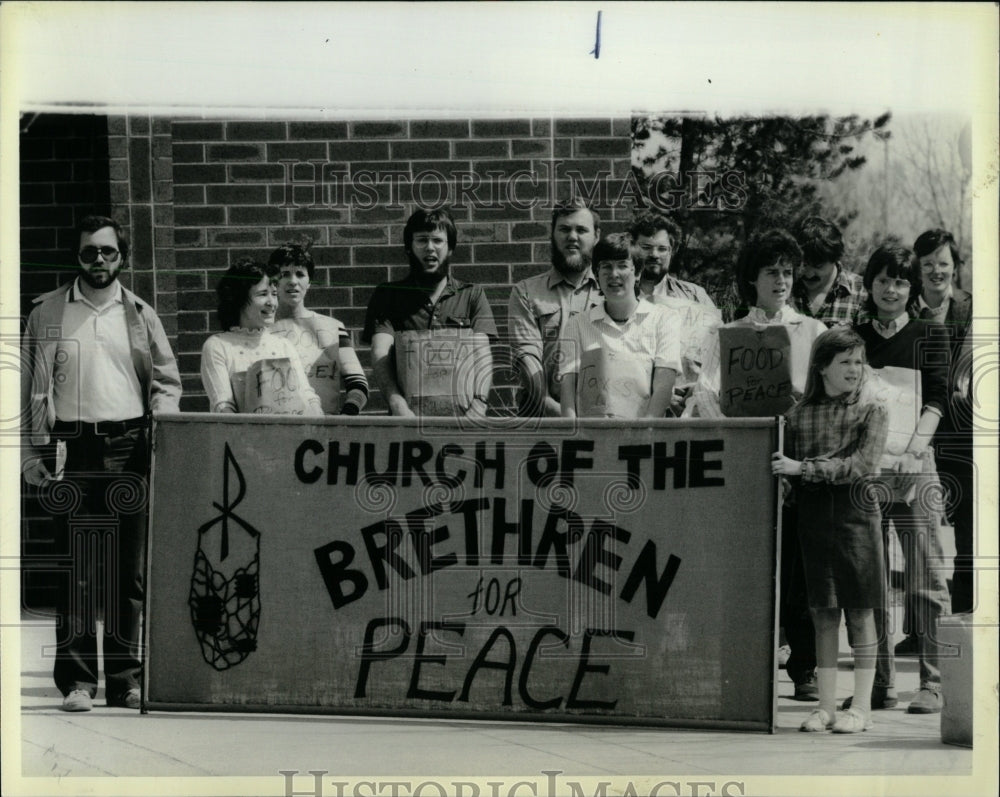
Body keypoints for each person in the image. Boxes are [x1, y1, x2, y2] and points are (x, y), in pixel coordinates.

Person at [20, 214, 182, 711]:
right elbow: (23, 391)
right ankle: (77, 683)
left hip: (128, 444)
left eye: (108, 252)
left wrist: (162, 419)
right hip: (69, 447)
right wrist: (29, 455)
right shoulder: (46, 313)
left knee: (126, 572)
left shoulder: (139, 313)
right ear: (77, 256)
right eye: (89, 251)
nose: (98, 261)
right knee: (77, 569)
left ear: (122, 258)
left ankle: (126, 679)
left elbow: (167, 381)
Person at [772, 326, 889, 733]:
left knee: (860, 610)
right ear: (822, 367)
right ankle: (825, 707)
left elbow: (862, 465)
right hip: (813, 519)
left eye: (859, 362)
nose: (855, 370)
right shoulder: (797, 415)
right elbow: (782, 470)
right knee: (823, 612)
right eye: (845, 362)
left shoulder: (874, 409)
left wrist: (802, 469)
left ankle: (861, 707)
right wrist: (788, 479)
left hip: (857, 516)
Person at [852, 242, 952, 715]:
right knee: (868, 579)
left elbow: (937, 398)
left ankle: (933, 682)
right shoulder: (852, 339)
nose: (891, 290)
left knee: (925, 576)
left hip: (916, 466)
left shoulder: (928, 332)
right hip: (868, 471)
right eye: (883, 280)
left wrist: (915, 450)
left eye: (901, 281)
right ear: (869, 284)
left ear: (911, 288)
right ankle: (878, 682)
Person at [362, 207, 496, 417]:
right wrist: (397, 404)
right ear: (409, 247)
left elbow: (482, 355)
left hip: (465, 420)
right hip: (407, 422)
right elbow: (380, 353)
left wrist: (479, 404)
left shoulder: (472, 295)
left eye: (438, 240)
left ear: (450, 248)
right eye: (422, 240)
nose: (430, 248)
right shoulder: (387, 295)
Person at [688, 229, 828, 419]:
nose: (781, 281)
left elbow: (831, 388)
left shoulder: (815, 331)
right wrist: (730, 431)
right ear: (752, 277)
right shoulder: (727, 335)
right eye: (772, 272)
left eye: (787, 273)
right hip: (742, 439)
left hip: (800, 439)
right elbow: (705, 392)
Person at [910, 229, 973, 616]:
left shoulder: (972, 307)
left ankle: (964, 615)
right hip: (915, 430)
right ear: (917, 268)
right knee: (917, 532)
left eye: (944, 264)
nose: (937, 271)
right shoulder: (902, 307)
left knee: (967, 529)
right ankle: (919, 629)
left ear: (955, 267)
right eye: (928, 264)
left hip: (962, 434)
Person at [559, 233, 681, 419]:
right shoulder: (577, 325)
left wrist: (646, 431)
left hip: (645, 434)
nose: (614, 274)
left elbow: (664, 385)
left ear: (638, 272)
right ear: (596, 274)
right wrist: (575, 435)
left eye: (623, 266)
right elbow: (568, 388)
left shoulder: (664, 320)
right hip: (593, 437)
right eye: (606, 267)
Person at [507, 199, 602, 417]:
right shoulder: (526, 292)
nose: (572, 236)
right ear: (553, 234)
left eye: (581, 230)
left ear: (596, 236)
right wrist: (554, 409)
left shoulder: (612, 292)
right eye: (564, 229)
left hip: (603, 421)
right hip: (543, 420)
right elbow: (527, 358)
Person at [200, 258, 322, 415]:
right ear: (239, 299)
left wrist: (318, 425)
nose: (272, 303)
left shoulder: (283, 345)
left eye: (275, 294)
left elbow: (307, 396)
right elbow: (224, 406)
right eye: (263, 294)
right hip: (241, 437)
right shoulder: (218, 346)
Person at [268, 243, 369, 415]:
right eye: (285, 274)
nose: (293, 281)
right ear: (273, 282)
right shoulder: (261, 329)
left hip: (325, 431)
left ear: (309, 283)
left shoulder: (333, 327)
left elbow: (358, 383)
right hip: (276, 430)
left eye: (300, 274)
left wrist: (347, 415)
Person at [791, 216, 869, 326]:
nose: (808, 274)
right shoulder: (785, 287)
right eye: (802, 265)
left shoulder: (861, 291)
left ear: (835, 259)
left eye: (818, 266)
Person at [629, 211, 717, 307]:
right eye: (646, 247)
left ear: (672, 251)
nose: (654, 254)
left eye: (662, 249)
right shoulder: (615, 294)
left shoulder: (695, 295)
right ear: (631, 248)